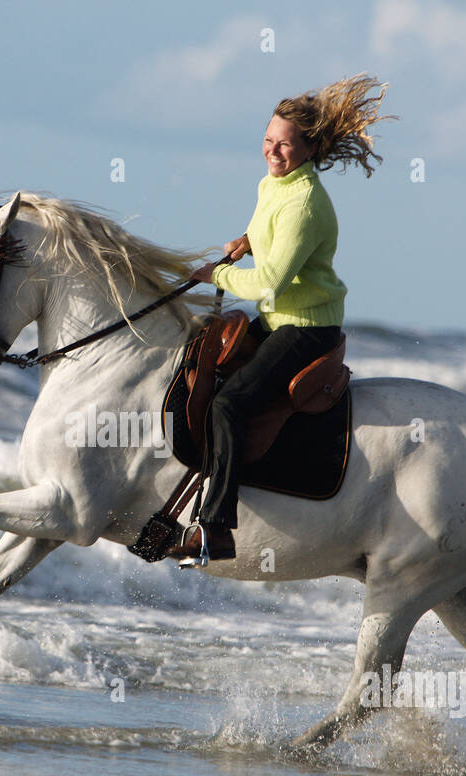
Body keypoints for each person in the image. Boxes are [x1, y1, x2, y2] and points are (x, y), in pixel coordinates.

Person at [167, 74, 394, 563]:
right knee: (198, 361)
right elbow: (269, 228)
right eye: (269, 141)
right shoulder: (274, 184)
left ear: (309, 150)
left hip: (307, 327)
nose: (274, 151)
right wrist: (246, 240)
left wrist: (217, 276)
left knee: (230, 405)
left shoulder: (307, 202)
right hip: (278, 318)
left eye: (285, 145)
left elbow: (270, 283)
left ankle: (215, 530)